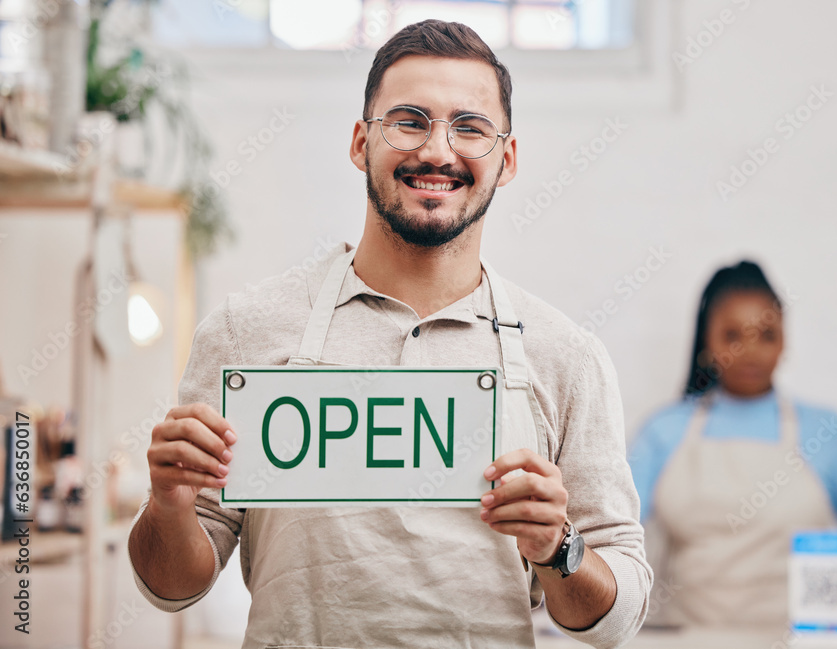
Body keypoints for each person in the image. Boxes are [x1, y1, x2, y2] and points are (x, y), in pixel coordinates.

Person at [127, 19, 651, 649]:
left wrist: (558, 546)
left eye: (470, 128)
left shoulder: (566, 357)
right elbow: (171, 586)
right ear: (360, 144)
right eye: (408, 120)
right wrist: (168, 505)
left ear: (505, 160)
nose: (437, 151)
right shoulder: (247, 331)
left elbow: (617, 619)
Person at [628, 260, 837, 626]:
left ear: (786, 341)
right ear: (707, 341)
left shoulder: (830, 435)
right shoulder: (663, 432)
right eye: (733, 335)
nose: (750, 351)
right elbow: (613, 536)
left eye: (766, 335)